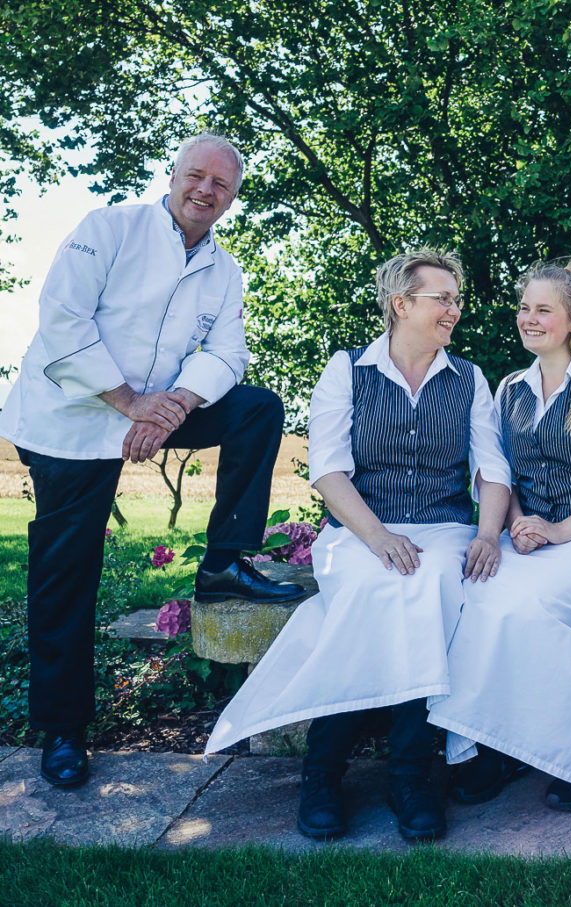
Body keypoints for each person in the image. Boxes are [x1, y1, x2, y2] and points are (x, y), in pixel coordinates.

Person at [0, 133, 304, 790]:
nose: (205, 191)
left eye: (221, 185)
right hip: (72, 423)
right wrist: (129, 402)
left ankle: (224, 563)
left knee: (256, 408)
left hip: (153, 411)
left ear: (232, 198)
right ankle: (62, 727)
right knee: (66, 573)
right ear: (174, 175)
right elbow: (63, 319)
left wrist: (172, 406)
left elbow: (227, 355)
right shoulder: (107, 228)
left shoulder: (224, 272)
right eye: (196, 175)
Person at [204, 250, 511, 843]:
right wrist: (377, 536)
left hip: (444, 530)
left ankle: (409, 775)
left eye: (456, 298)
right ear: (402, 304)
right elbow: (328, 471)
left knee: (434, 585)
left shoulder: (469, 378)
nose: (456, 308)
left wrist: (490, 533)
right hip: (358, 529)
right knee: (374, 588)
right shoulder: (346, 369)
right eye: (442, 298)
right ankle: (325, 774)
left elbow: (491, 470)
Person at [427, 260, 571, 812]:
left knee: (533, 607)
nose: (529, 318)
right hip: (534, 538)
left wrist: (558, 531)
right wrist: (521, 521)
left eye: (543, 310)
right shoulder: (510, 388)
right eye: (524, 308)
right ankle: (487, 751)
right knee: (467, 599)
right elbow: (504, 473)